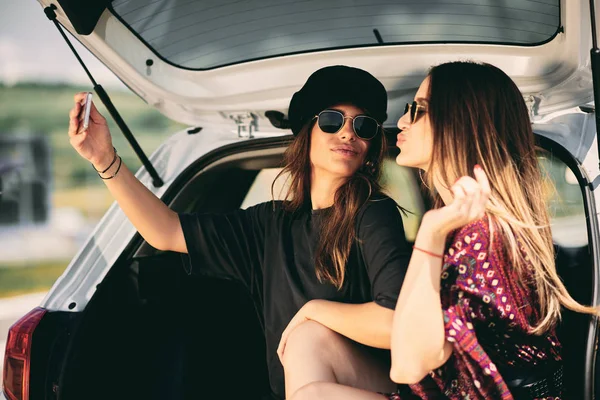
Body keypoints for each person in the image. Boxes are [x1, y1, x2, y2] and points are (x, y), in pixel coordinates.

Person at [67, 65, 411, 399]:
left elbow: (396, 323)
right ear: (306, 133)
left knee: (308, 337)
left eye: (363, 126)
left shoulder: (372, 213)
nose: (348, 133)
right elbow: (166, 231)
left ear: (370, 147)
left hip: (375, 384)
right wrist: (104, 159)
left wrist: (313, 310)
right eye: (332, 120)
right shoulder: (269, 224)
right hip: (301, 392)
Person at [288, 61, 600, 400]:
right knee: (310, 339)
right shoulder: (464, 224)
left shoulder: (481, 240)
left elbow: (407, 365)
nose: (402, 122)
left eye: (417, 110)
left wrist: (429, 235)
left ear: (458, 122)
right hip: (451, 390)